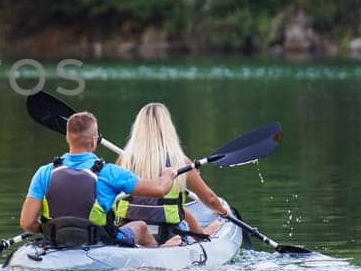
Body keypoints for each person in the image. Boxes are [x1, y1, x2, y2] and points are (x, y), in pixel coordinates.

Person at [19, 110, 180, 248]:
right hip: (101, 242)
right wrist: (168, 174)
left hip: (56, 241)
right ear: (94, 140)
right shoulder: (110, 173)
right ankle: (159, 252)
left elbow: (27, 223)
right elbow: (159, 189)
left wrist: (50, 230)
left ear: (67, 137)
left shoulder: (44, 173)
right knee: (141, 227)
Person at [115, 101, 231, 245]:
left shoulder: (124, 160)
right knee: (201, 221)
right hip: (168, 233)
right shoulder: (180, 161)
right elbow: (210, 199)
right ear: (168, 129)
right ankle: (181, 241)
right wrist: (224, 213)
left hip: (130, 232)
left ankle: (196, 235)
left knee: (179, 210)